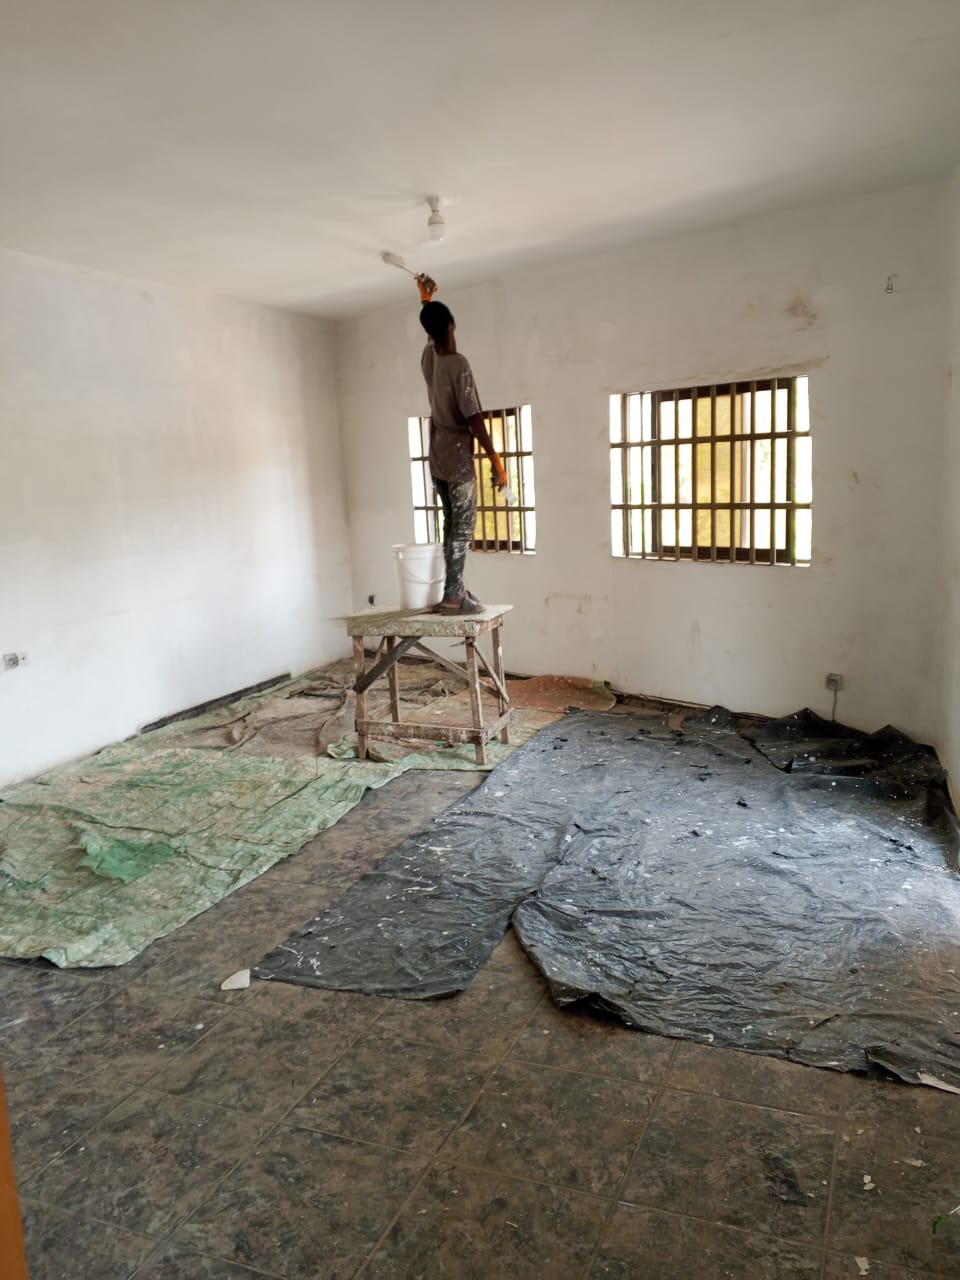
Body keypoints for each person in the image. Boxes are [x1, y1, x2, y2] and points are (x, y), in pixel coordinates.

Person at [419, 301, 507, 615]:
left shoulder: (430, 359)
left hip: (437, 456)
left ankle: (451, 590)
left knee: (450, 524)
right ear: (452, 324)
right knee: (463, 526)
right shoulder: (458, 364)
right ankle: (455, 595)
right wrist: (496, 461)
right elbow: (474, 418)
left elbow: (431, 329)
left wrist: (425, 298)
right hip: (456, 458)